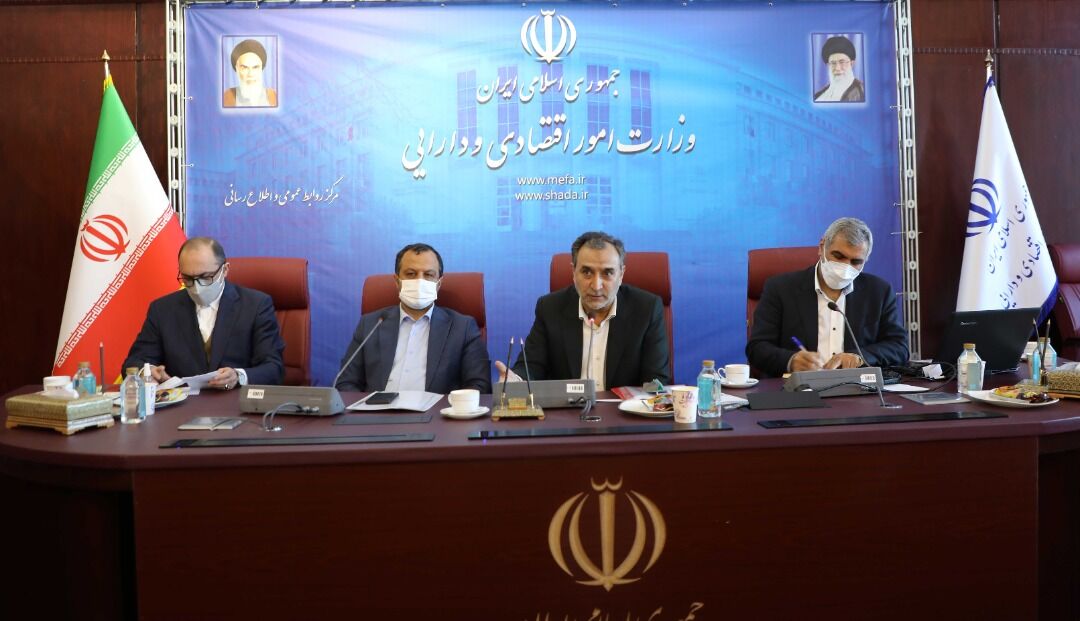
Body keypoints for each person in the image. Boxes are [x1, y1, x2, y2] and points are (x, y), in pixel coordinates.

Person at [495, 231, 671, 390]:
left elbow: (656, 380)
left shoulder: (646, 309)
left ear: (621, 274)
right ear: (573, 272)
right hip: (568, 412)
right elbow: (532, 365)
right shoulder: (550, 308)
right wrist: (517, 380)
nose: (596, 285)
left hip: (623, 411)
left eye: (607, 273)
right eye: (587, 272)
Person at [746, 217, 909, 377]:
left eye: (855, 262)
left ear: (866, 260)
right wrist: (790, 360)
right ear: (822, 247)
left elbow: (899, 347)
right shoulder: (780, 288)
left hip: (855, 387)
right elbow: (757, 348)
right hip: (798, 388)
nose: (845, 267)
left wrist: (859, 357)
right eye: (838, 256)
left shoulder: (878, 292)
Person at [123, 237, 285, 388]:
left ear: (225, 270)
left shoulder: (256, 305)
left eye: (206, 277)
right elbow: (135, 362)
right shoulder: (162, 309)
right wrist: (147, 372)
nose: (197, 287)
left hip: (235, 401)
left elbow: (273, 368)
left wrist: (238, 376)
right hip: (182, 404)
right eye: (188, 279)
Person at [335, 243, 491, 394]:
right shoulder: (371, 324)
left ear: (439, 283)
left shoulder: (463, 327)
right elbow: (346, 382)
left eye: (428, 275)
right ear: (397, 281)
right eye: (411, 274)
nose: (419, 281)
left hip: (437, 410)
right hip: (378, 410)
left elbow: (479, 385)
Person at [223, 39, 278, 108]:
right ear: (236, 69)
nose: (250, 74)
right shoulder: (228, 96)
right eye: (244, 67)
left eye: (255, 67)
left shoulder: (273, 96)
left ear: (262, 68)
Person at [813, 35, 865, 103]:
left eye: (842, 62)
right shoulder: (818, 96)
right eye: (833, 63)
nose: (837, 68)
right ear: (828, 65)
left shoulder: (862, 91)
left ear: (852, 63)